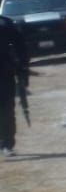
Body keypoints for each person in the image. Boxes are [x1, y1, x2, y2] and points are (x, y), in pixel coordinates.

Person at [0, 13, 27, 157]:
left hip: (4, 73)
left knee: (6, 109)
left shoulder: (5, 24)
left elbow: (20, 46)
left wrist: (23, 68)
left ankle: (6, 143)